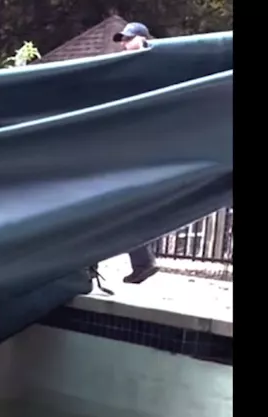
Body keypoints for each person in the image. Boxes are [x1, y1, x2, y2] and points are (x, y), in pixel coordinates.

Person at [112, 21, 160, 284]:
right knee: (121, 208)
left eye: (128, 39)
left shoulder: (150, 62)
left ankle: (143, 260)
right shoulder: (124, 66)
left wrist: (141, 49)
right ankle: (142, 261)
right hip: (128, 147)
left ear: (142, 39)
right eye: (122, 39)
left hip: (140, 150)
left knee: (121, 205)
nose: (122, 43)